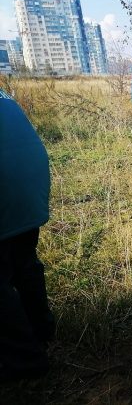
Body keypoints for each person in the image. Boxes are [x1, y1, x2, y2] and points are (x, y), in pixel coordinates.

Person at [0, 88, 55, 380]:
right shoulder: (3, 93)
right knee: (23, 259)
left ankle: (25, 360)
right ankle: (42, 330)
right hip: (30, 174)